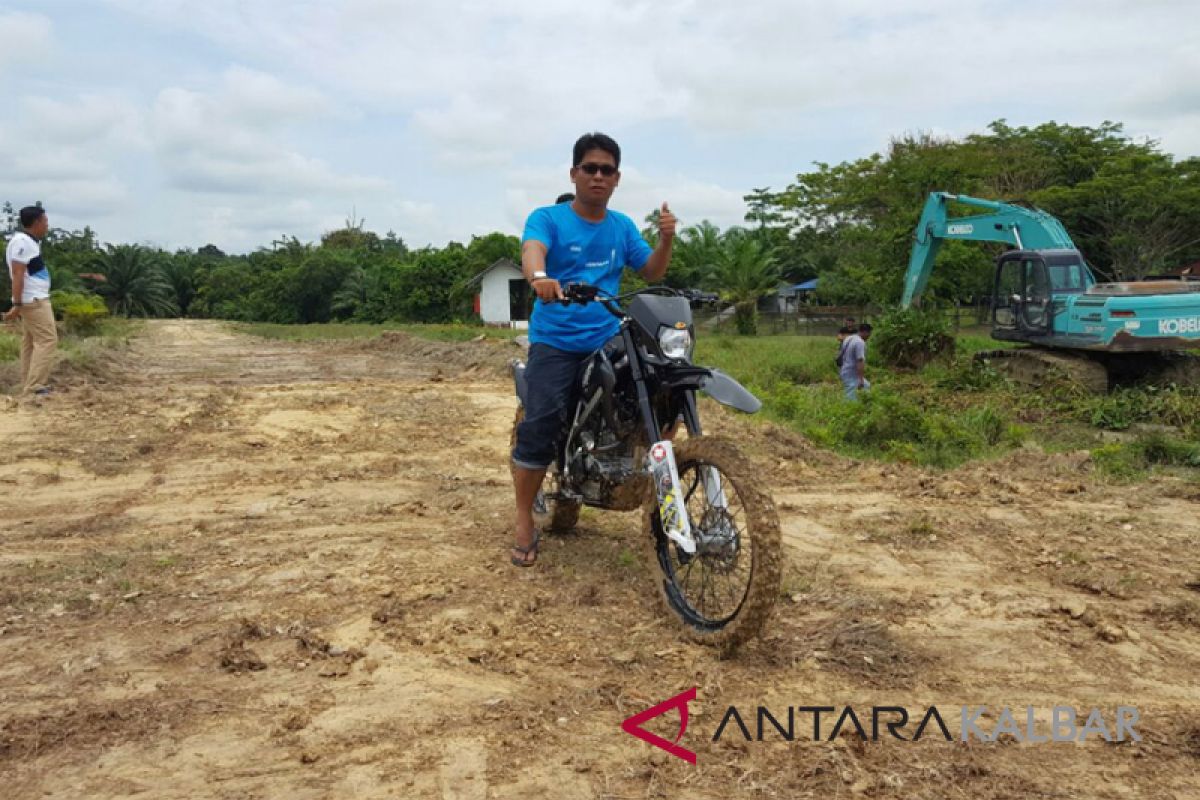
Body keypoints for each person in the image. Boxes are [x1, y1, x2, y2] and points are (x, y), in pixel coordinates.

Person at [510, 132, 676, 567]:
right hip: (558, 339)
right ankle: (524, 518)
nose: (598, 176)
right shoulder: (548, 218)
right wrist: (540, 277)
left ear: (617, 178)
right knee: (541, 424)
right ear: (575, 173)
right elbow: (532, 250)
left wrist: (665, 240)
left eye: (607, 170)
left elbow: (651, 270)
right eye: (590, 168)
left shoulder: (621, 226)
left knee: (657, 386)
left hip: (608, 335)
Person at [4, 206, 57, 397]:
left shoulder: (27, 242)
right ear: (36, 223)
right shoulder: (23, 243)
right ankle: (35, 386)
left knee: (30, 341)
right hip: (34, 300)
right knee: (47, 340)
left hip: (32, 298)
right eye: (45, 222)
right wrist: (16, 304)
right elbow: (18, 273)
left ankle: (28, 383)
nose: (47, 226)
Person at [840, 323, 872, 400]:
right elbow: (860, 361)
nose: (869, 336)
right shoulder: (860, 342)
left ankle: (864, 404)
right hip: (852, 373)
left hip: (845, 370)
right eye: (869, 334)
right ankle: (849, 408)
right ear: (864, 332)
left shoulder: (849, 338)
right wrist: (860, 379)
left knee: (866, 386)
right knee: (851, 396)